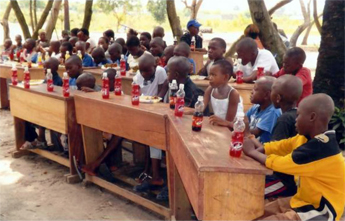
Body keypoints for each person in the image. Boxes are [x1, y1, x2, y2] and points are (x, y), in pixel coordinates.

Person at [243, 94, 345, 220]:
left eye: (298, 116)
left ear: (312, 117)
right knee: (253, 211)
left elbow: (281, 164)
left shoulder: (321, 147)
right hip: (301, 200)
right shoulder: (305, 138)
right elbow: (282, 145)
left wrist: (251, 152)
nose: (295, 120)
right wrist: (262, 149)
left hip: (320, 211)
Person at [156, 56, 206, 200]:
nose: (166, 74)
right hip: (178, 127)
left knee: (174, 148)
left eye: (168, 71)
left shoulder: (191, 91)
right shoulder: (174, 85)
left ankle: (174, 188)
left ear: (176, 75)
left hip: (191, 133)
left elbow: (186, 115)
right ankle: (156, 176)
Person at [264, 75, 303, 199]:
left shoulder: (284, 119)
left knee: (250, 190)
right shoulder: (296, 115)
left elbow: (274, 151)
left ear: (278, 98)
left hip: (284, 181)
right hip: (291, 177)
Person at [133, 54, 167, 192]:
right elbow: (136, 92)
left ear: (154, 66)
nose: (144, 74)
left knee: (153, 137)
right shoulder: (138, 75)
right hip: (143, 108)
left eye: (147, 71)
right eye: (141, 71)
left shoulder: (160, 71)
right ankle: (148, 170)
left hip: (158, 108)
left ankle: (155, 174)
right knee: (145, 136)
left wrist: (154, 101)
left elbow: (162, 91)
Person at [19, 57, 63, 150]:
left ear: (55, 68)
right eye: (44, 67)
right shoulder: (48, 77)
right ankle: (33, 139)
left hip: (53, 108)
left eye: (47, 67)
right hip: (45, 105)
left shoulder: (58, 80)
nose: (44, 69)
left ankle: (40, 140)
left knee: (38, 114)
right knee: (25, 113)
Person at [202, 60, 244, 128]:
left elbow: (228, 123)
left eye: (214, 75)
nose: (210, 78)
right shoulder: (210, 89)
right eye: (210, 74)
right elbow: (200, 108)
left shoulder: (233, 94)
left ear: (225, 77)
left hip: (233, 129)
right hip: (219, 125)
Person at [246, 76, 281, 143]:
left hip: (261, 149)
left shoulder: (273, 111)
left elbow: (256, 132)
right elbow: (243, 121)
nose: (251, 92)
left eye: (255, 89)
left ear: (266, 95)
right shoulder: (255, 107)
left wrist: (237, 129)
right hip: (251, 143)